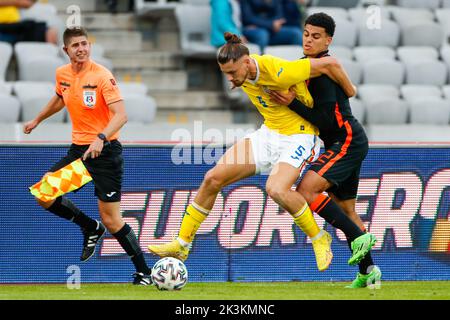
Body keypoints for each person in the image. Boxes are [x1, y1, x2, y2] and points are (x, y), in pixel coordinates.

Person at [148, 32, 376, 273]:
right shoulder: (241, 71)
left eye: (232, 73)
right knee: (212, 179)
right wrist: (237, 78)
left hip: (299, 135)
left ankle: (319, 238)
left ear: (247, 62)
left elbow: (330, 63)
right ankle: (182, 244)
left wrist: (350, 90)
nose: (230, 79)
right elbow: (241, 78)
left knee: (276, 189)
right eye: (225, 73)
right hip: (268, 134)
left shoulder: (279, 70)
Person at [23, 27, 152, 285]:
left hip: (105, 154)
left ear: (89, 46)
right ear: (66, 50)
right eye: (75, 45)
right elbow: (60, 98)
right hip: (79, 152)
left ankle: (145, 273)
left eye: (84, 44)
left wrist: (101, 138)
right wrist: (37, 118)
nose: (81, 49)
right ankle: (89, 226)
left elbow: (121, 115)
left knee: (112, 220)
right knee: (44, 193)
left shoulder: (102, 76)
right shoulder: (62, 74)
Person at [268, 12, 382, 288]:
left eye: (316, 36)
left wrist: (291, 103)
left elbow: (325, 120)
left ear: (328, 40)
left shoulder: (321, 74)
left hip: (346, 139)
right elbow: (350, 91)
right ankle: (369, 274)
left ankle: (357, 236)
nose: (308, 40)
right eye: (306, 34)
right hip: (345, 141)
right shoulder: (308, 67)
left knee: (307, 190)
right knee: (346, 208)